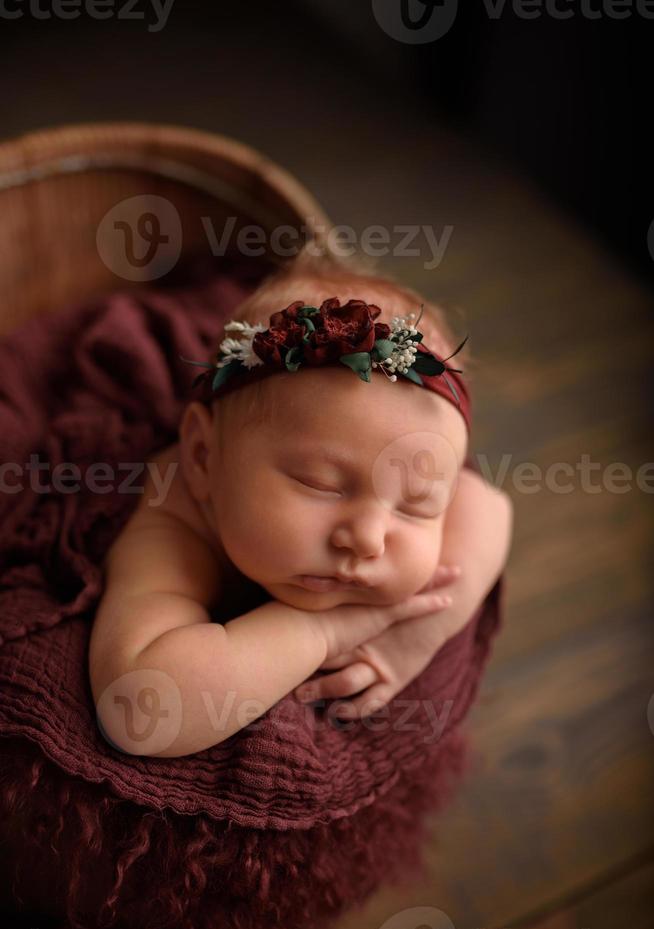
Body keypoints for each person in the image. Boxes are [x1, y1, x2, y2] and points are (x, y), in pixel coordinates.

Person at [89, 248, 513, 758]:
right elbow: (138, 712)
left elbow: (491, 508)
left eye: (416, 507)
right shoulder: (173, 524)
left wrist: (417, 637)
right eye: (321, 484)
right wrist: (324, 630)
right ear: (203, 456)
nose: (368, 537)